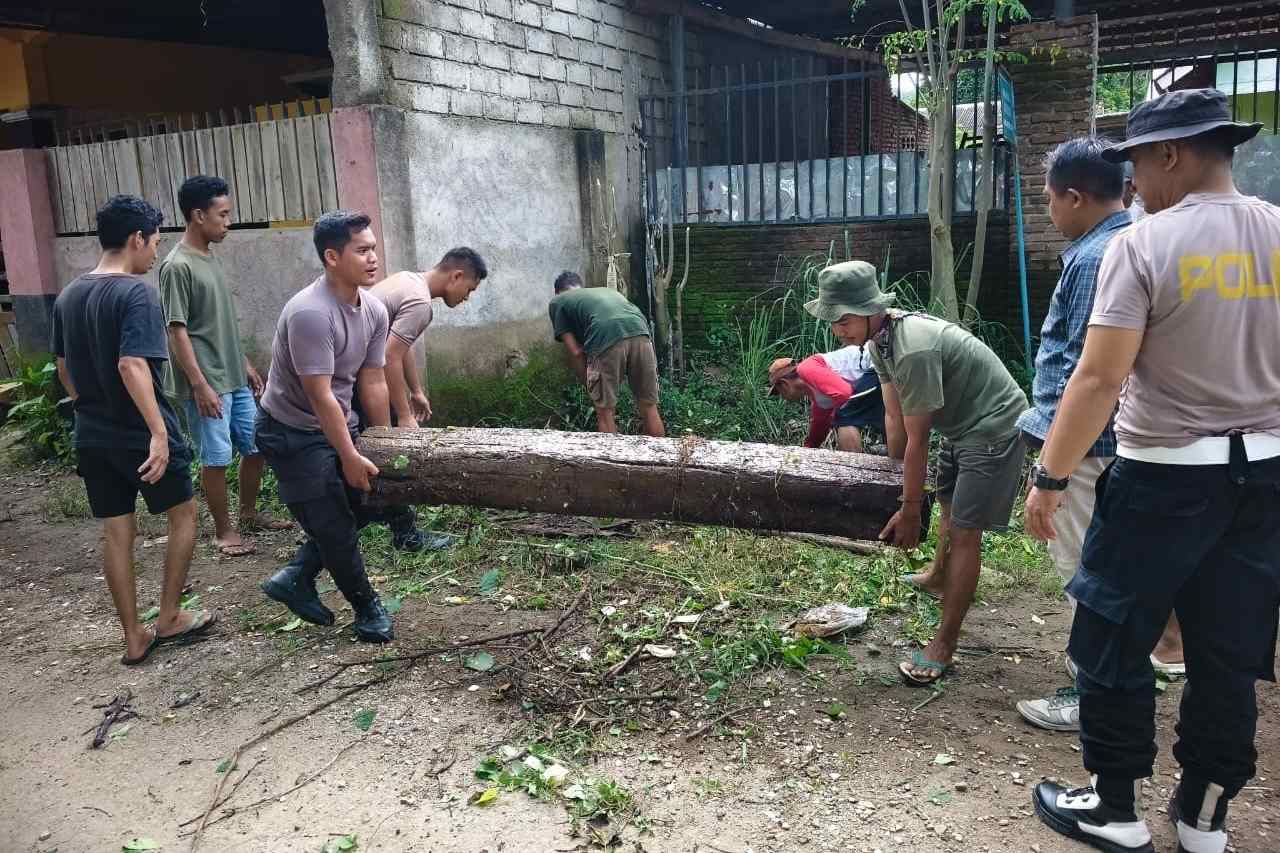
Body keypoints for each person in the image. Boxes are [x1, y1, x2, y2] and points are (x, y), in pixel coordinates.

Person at [1025, 89, 1280, 853]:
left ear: (1172, 153)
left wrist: (1049, 475)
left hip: (1163, 475)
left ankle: (1114, 807)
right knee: (1228, 652)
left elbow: (1099, 379)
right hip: (1265, 478)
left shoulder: (1144, 243)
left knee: (1109, 634)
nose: (1133, 183)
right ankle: (1204, 816)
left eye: (1138, 162)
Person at [805, 261, 1027, 687]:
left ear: (871, 308)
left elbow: (917, 437)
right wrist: (895, 490)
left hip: (994, 426)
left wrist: (909, 509)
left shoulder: (914, 348)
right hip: (959, 425)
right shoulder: (879, 343)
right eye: (833, 321)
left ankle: (944, 642)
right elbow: (893, 417)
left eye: (846, 318)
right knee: (945, 503)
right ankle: (939, 575)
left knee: (965, 531)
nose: (839, 329)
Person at [50, 195, 216, 666]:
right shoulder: (136, 293)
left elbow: (64, 369)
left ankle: (132, 636)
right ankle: (167, 616)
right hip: (139, 436)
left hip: (93, 435)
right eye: (155, 243)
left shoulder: (68, 296)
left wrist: (88, 406)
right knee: (182, 514)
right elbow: (131, 363)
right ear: (136, 238)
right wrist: (159, 431)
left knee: (117, 533)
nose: (156, 254)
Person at [1012, 138, 1130, 732]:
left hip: (1085, 450)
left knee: (1083, 569)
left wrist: (1051, 471)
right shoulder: (1134, 243)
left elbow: (1084, 374)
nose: (1049, 211)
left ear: (1076, 198)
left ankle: (1091, 693)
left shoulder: (1092, 259)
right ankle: (1128, 668)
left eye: (1049, 199)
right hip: (1119, 446)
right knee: (1113, 564)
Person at [255, 211, 396, 643]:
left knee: (365, 505)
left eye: (374, 248)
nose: (373, 258)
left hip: (336, 423)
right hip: (292, 431)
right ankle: (367, 608)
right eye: (362, 250)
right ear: (332, 257)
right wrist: (350, 456)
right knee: (333, 522)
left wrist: (386, 443)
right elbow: (320, 396)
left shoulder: (372, 309)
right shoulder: (310, 314)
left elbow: (373, 380)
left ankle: (295, 576)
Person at [160, 175, 289, 558]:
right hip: (207, 383)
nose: (228, 221)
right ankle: (223, 530)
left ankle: (248, 513)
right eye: (223, 214)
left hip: (232, 375)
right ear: (198, 215)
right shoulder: (176, 266)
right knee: (216, 457)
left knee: (256, 444)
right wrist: (199, 385)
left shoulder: (209, 257)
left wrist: (245, 363)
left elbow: (220, 322)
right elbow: (176, 330)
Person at [358, 247, 489, 551]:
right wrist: (403, 415)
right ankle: (405, 533)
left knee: (367, 449)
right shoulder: (420, 303)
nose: (467, 298)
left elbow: (402, 347)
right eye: (469, 289)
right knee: (390, 451)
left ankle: (368, 519)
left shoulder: (408, 280)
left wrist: (416, 391)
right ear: (455, 275)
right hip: (360, 377)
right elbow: (389, 357)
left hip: (355, 371)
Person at [549, 272, 664, 437]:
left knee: (604, 411)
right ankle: (659, 460)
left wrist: (590, 386)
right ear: (581, 287)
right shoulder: (604, 292)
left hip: (606, 335)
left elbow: (575, 351)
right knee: (649, 406)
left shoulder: (557, 302)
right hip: (641, 332)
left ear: (557, 292)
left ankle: (612, 460)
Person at [766, 346, 885, 451]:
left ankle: (853, 471)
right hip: (873, 374)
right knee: (884, 418)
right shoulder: (819, 399)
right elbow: (819, 430)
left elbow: (845, 394)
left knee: (844, 416)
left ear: (784, 384)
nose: (783, 397)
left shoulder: (806, 368)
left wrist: (837, 416)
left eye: (779, 392)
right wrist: (805, 454)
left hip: (877, 362)